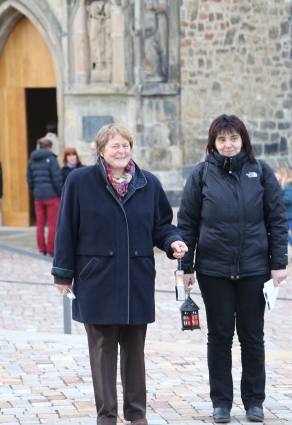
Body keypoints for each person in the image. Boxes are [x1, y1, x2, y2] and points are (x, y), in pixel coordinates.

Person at [51, 123, 188, 425]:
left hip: (135, 278)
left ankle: (137, 414)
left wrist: (172, 241)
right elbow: (65, 230)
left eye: (125, 145)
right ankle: (107, 415)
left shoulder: (148, 183)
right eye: (114, 146)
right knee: (102, 351)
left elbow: (162, 225)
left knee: (134, 351)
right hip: (96, 278)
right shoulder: (79, 181)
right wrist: (63, 275)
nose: (121, 151)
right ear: (100, 150)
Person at [177, 114, 288, 424]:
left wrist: (279, 263)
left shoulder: (261, 172)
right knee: (220, 337)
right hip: (214, 271)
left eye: (233, 139)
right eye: (222, 139)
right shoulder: (201, 175)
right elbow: (186, 225)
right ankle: (221, 403)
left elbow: (277, 220)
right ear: (213, 143)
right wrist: (185, 268)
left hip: (254, 270)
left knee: (253, 337)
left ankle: (254, 401)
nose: (228, 145)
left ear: (243, 141)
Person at [26, 137, 62, 256]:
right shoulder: (51, 159)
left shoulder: (31, 160)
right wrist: (61, 193)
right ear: (49, 147)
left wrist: (34, 191)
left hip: (38, 196)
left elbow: (29, 179)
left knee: (40, 223)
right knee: (52, 224)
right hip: (52, 196)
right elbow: (57, 179)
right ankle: (51, 250)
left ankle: (41, 249)